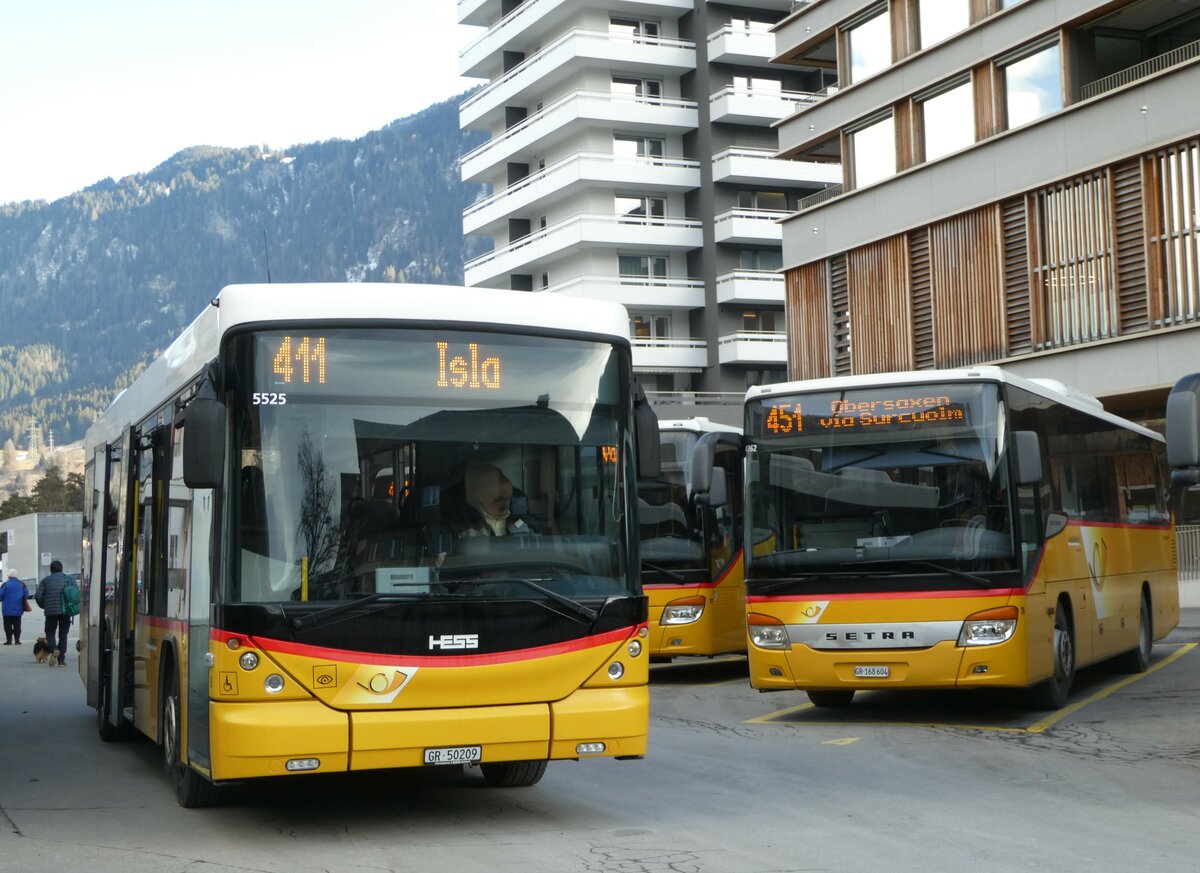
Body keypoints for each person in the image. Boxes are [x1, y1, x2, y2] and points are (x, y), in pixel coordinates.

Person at [458, 462, 532, 538]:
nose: (506, 504)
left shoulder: (520, 518)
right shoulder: (464, 524)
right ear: (480, 496)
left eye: (509, 498)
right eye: (499, 500)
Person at [34, 560, 71, 666]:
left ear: (50, 569)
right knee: (63, 635)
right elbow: (75, 594)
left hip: (50, 611)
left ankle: (54, 649)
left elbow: (38, 596)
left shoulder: (45, 580)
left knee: (50, 632)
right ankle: (61, 660)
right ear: (62, 568)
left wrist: (44, 605)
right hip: (66, 611)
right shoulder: (69, 579)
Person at [1, 571, 29, 646]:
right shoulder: (22, 584)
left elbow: (0, 596)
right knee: (17, 624)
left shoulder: (5, 584)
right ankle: (17, 640)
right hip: (18, 608)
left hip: (7, 609)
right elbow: (26, 595)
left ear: (9, 576)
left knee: (7, 625)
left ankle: (9, 641)